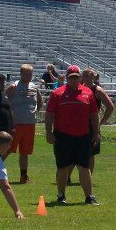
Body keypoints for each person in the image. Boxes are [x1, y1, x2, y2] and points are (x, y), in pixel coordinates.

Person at [45, 65, 100, 205]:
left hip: (83, 136)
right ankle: (61, 196)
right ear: (67, 78)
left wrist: (96, 132)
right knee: (62, 167)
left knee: (84, 167)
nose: (74, 80)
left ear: (80, 78)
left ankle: (89, 197)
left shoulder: (88, 93)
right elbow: (49, 115)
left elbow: (94, 115)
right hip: (63, 136)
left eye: (76, 77)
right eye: (71, 78)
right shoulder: (57, 93)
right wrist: (48, 133)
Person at [68, 68, 114, 183]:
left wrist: (101, 122)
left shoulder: (97, 90)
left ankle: (87, 179)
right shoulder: (78, 88)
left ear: (93, 77)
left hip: (91, 125)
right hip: (77, 125)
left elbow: (110, 106)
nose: (86, 78)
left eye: (89, 76)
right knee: (73, 152)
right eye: (84, 75)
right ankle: (67, 177)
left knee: (90, 153)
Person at [5, 63, 42, 184]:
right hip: (16, 124)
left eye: (30, 73)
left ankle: (23, 175)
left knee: (25, 152)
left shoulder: (33, 87)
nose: (28, 76)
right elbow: (4, 103)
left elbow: (40, 102)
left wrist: (33, 113)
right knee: (7, 149)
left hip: (30, 124)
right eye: (26, 73)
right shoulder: (13, 86)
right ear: (20, 74)